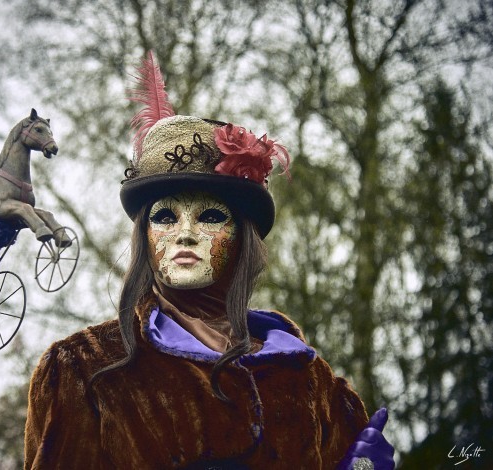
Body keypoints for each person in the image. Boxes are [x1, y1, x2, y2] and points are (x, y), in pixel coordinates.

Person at [24, 54, 394, 469]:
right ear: (145, 237)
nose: (184, 233)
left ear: (242, 240)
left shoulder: (312, 382)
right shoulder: (84, 369)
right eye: (165, 216)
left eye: (211, 216)